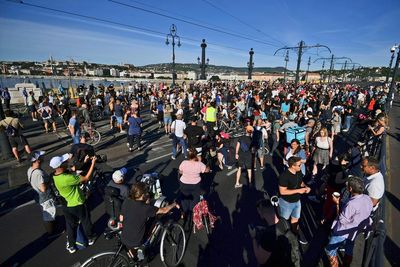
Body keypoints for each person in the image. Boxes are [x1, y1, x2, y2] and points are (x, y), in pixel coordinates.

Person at [50, 153, 97, 254]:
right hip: (78, 202)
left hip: (66, 205)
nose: (67, 162)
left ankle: (71, 245)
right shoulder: (68, 178)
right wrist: (93, 163)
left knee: (70, 225)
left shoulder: (54, 176)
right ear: (60, 166)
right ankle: (90, 237)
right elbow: (86, 178)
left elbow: (71, 169)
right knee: (85, 220)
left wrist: (84, 161)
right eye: (64, 162)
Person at [325, 176, 373, 267]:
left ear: (350, 189)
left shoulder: (351, 204)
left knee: (330, 250)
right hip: (354, 231)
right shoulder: (367, 198)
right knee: (349, 248)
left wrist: (337, 203)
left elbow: (342, 220)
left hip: (342, 231)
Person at [119, 182, 178, 253]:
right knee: (155, 219)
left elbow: (121, 218)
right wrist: (174, 204)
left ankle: (132, 253)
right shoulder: (146, 208)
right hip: (137, 241)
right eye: (146, 193)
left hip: (124, 236)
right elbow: (164, 210)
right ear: (143, 195)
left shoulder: (127, 201)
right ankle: (146, 243)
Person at [249, 199, 300, 267]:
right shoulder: (284, 222)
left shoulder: (268, 236)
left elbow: (260, 259)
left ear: (262, 213)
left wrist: (253, 237)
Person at [278, 156, 311, 242]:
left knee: (295, 220)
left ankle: (295, 235)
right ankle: (281, 239)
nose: (301, 166)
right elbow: (282, 192)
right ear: (293, 166)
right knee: (283, 222)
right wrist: (299, 190)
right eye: (299, 165)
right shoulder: (284, 176)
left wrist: (305, 187)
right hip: (286, 203)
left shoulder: (298, 171)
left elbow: (301, 182)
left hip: (297, 201)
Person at [27, 151, 57, 236]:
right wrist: (50, 180)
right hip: (46, 197)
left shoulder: (30, 170)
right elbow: (43, 188)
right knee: (49, 215)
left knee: (48, 214)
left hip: (38, 196)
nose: (43, 157)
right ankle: (51, 232)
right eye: (40, 157)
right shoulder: (39, 173)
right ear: (37, 160)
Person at [178, 148, 210, 216]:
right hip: (195, 185)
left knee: (184, 198)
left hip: (184, 184)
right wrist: (208, 167)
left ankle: (183, 212)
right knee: (195, 198)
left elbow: (180, 171)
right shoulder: (200, 164)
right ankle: (194, 212)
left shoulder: (184, 163)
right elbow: (206, 170)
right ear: (195, 155)